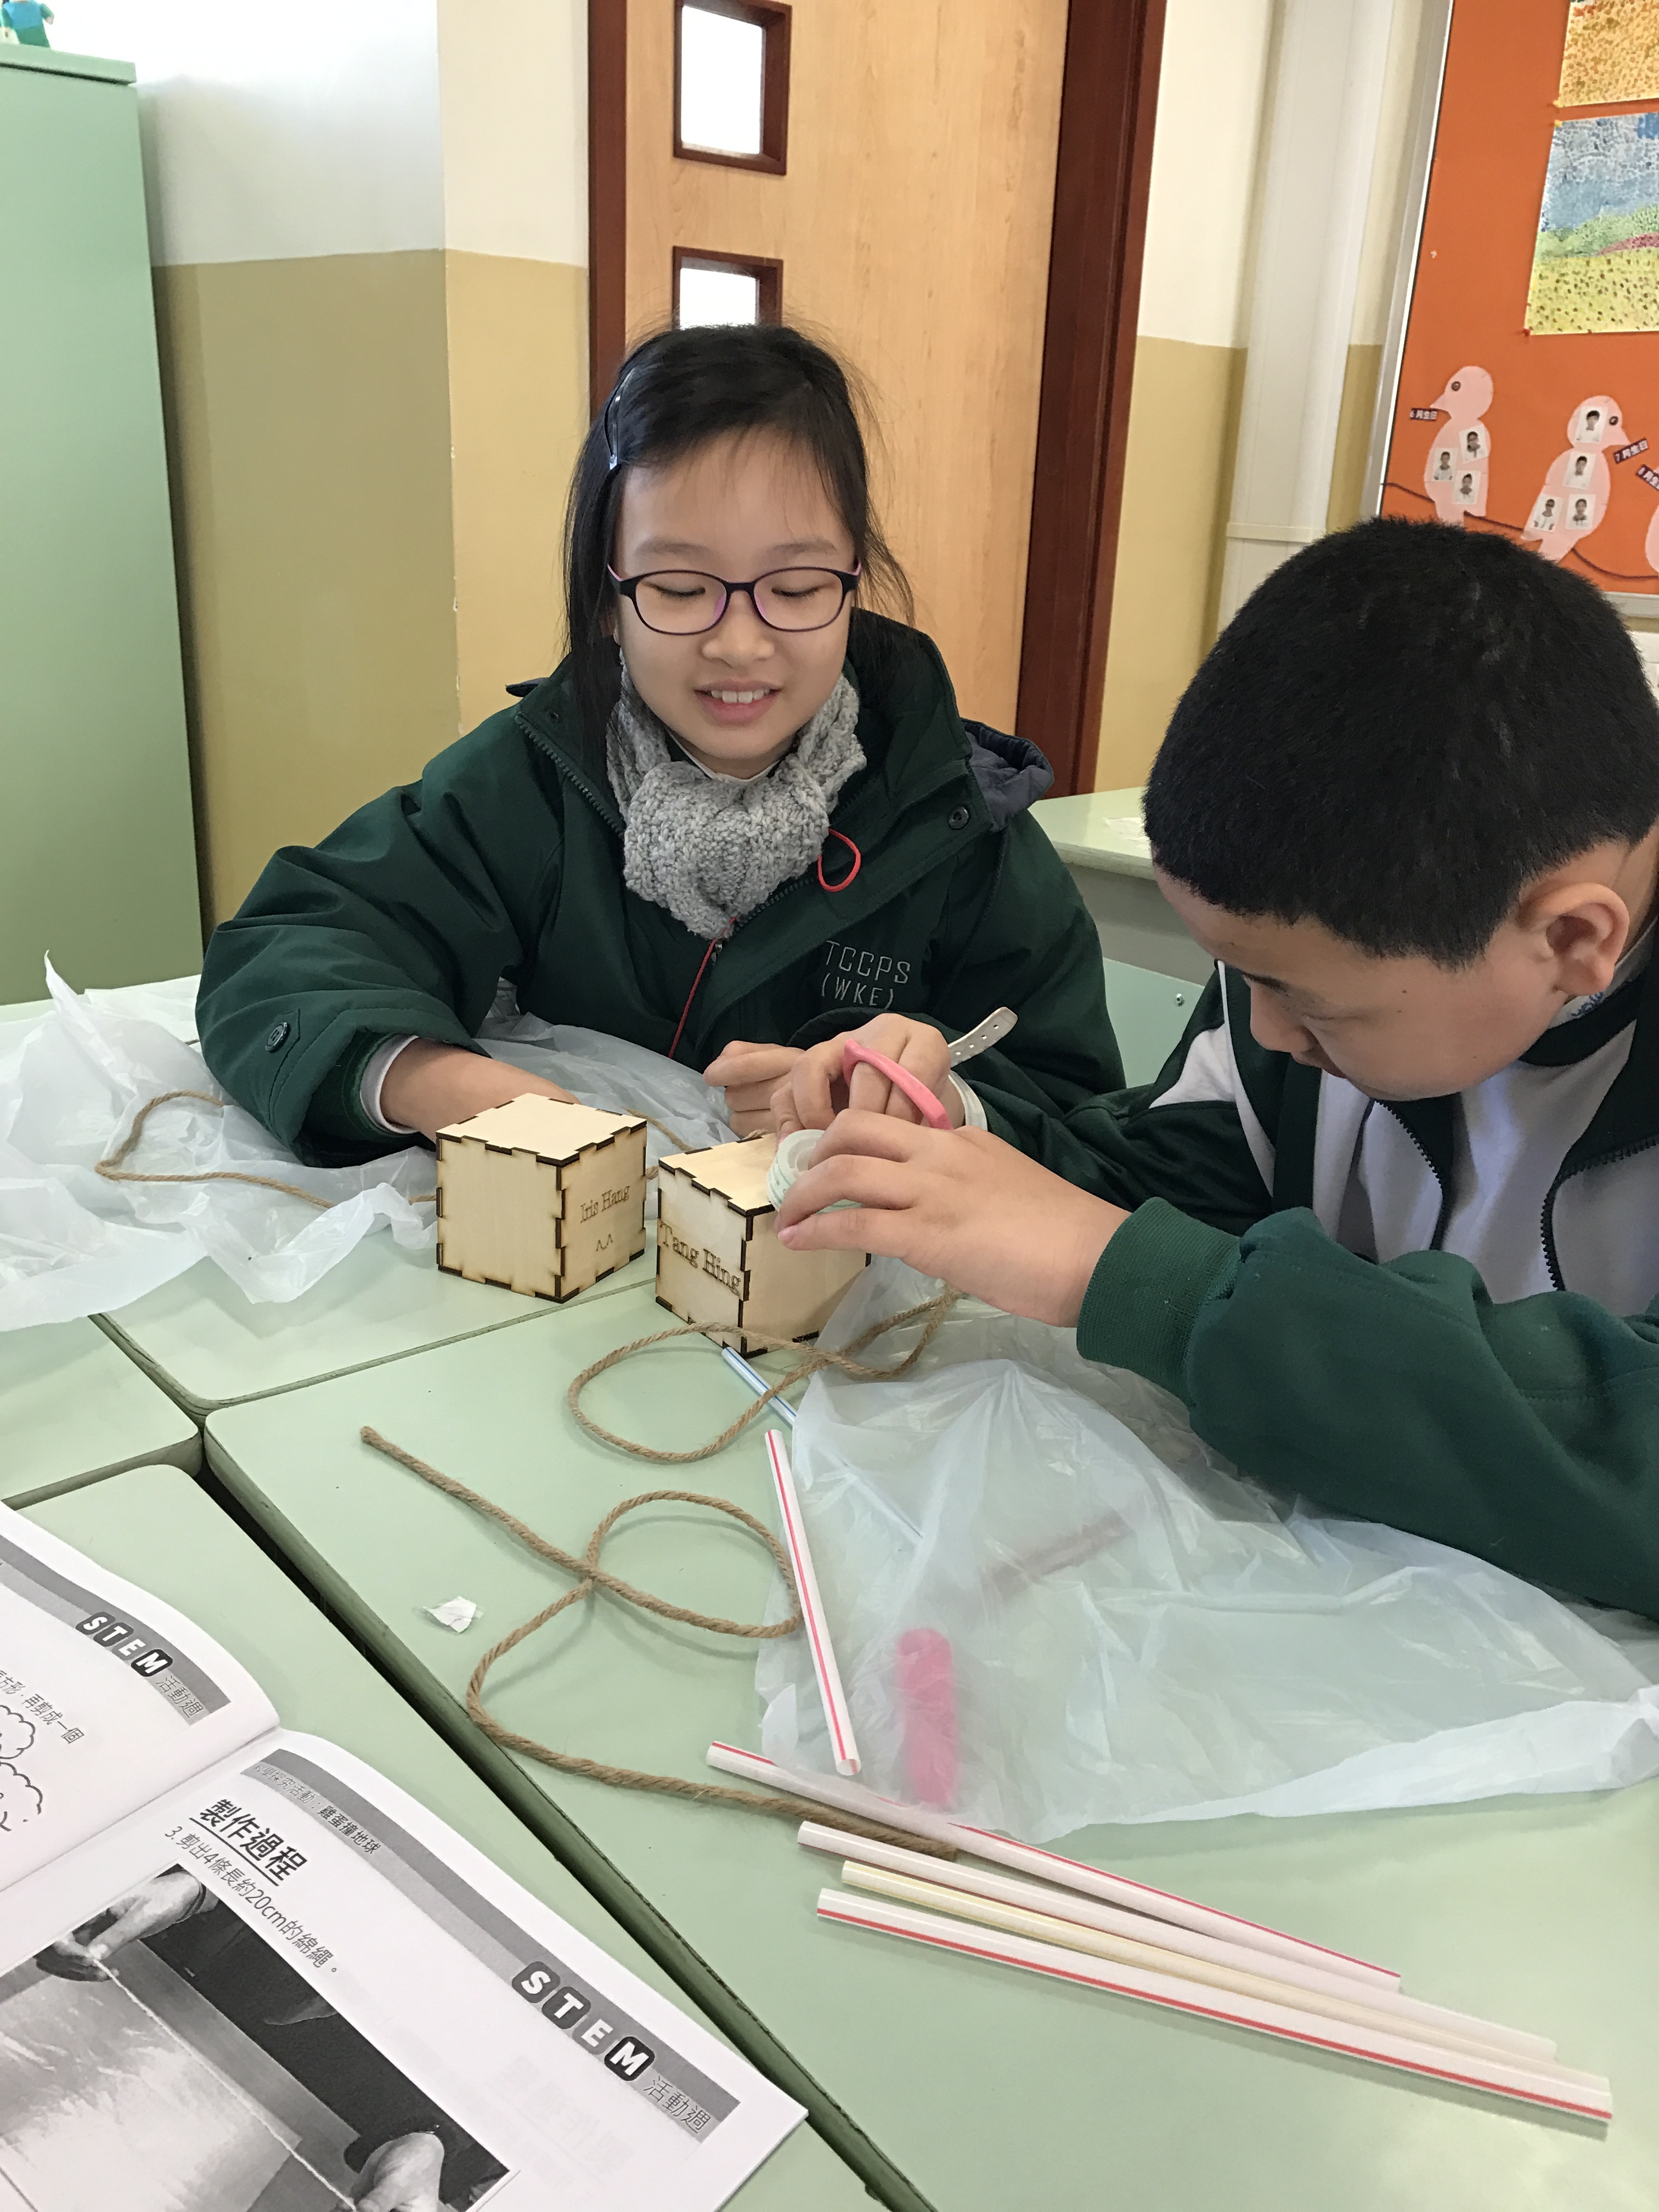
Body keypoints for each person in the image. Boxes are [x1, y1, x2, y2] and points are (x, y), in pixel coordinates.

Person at [776, 518, 1659, 1617]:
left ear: (1572, 939)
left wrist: (1147, 1285)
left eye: (1311, 1003)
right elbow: (1171, 1184)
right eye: (1243, 977)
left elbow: (1624, 1451)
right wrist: (951, 1128)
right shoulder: (1319, 961)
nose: (1270, 1031)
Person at [196, 324, 1119, 1163]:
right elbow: (292, 950)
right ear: (607, 597)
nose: (740, 644)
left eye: (796, 588)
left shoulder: (952, 820)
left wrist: (941, 1100)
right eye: (679, 590)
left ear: (852, 581)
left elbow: (1084, 1118)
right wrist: (433, 1081)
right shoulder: (535, 782)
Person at [36, 1870, 500, 2209]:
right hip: (113, 1997)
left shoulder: (457, 2019)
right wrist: (195, 1881)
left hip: (270, 2131)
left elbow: (493, 2111)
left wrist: (430, 2139)